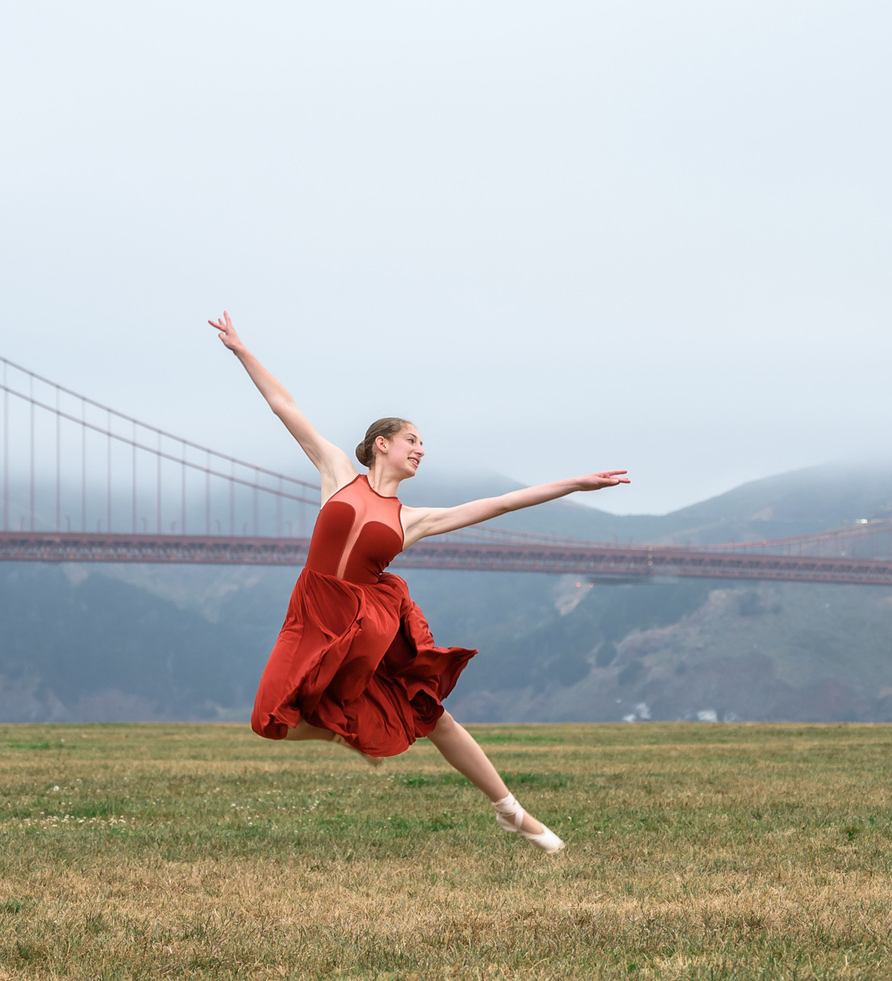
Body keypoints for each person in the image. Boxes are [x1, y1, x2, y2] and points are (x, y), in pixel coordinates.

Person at [208, 312, 629, 854]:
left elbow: (498, 503)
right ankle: (348, 732)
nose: (421, 449)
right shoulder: (337, 472)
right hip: (313, 610)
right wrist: (242, 349)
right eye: (412, 439)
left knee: (430, 713)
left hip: (367, 621)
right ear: (381, 443)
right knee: (267, 719)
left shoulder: (412, 519)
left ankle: (511, 811)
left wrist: (573, 483)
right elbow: (284, 405)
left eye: (423, 444)